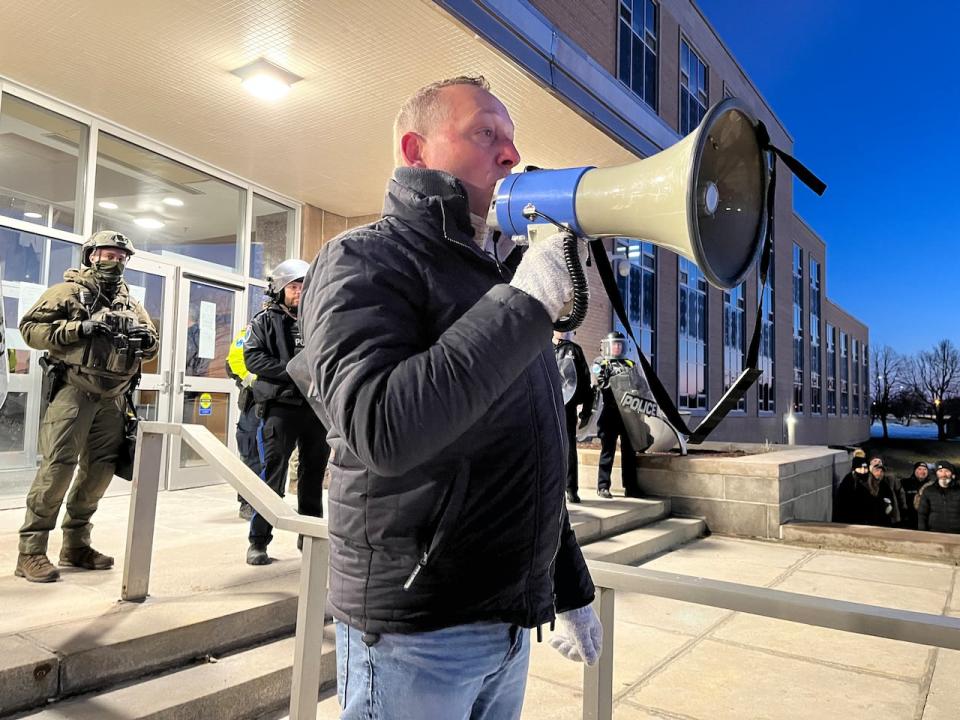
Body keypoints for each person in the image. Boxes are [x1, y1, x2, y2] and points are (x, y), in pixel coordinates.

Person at [293, 76, 599, 719]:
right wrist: (524, 304)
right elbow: (382, 429)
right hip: (416, 631)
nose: (511, 154)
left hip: (508, 622)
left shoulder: (501, 279)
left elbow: (530, 453)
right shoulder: (362, 260)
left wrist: (566, 584)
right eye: (485, 132)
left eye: (512, 139)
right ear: (415, 150)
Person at [15, 231, 158, 583]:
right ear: (91, 256)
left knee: (99, 472)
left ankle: (76, 544)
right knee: (58, 468)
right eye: (109, 254)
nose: (116, 260)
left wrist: (146, 340)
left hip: (114, 397)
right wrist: (80, 328)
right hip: (75, 391)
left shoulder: (129, 300)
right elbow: (30, 329)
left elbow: (151, 344)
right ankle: (31, 551)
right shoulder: (67, 291)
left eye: (122, 256)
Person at [243, 258, 330, 565]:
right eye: (294, 286)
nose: (300, 292)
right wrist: (296, 371)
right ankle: (258, 541)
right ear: (280, 289)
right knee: (272, 475)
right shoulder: (264, 322)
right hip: (281, 408)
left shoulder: (320, 320)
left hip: (316, 408)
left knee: (313, 475)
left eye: (305, 286)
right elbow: (254, 360)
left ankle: (310, 538)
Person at [592, 331, 641, 499]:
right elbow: (602, 384)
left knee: (629, 452)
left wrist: (637, 390)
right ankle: (603, 486)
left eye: (620, 344)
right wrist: (620, 387)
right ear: (607, 345)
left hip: (628, 413)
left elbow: (640, 383)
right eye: (615, 344)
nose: (617, 347)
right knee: (608, 450)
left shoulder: (630, 363)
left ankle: (631, 487)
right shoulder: (600, 363)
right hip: (610, 412)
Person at [226, 325, 261, 520]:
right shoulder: (251, 329)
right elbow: (234, 360)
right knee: (250, 452)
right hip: (254, 401)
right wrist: (255, 383)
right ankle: (247, 502)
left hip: (280, 401)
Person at [553, 330, 592, 503]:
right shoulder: (543, 347)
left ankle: (571, 489)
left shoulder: (575, 350)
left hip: (567, 407)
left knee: (569, 449)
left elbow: (584, 379)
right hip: (547, 405)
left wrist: (586, 409)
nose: (562, 331)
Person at [833, 454, 896, 526]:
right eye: (860, 468)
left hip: (871, 521)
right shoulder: (849, 481)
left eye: (865, 468)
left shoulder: (877, 481)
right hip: (852, 521)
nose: (863, 471)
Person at [917, 461, 960, 534]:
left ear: (952, 474)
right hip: (934, 532)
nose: (943, 474)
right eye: (940, 471)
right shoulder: (928, 491)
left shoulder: (958, 490)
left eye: (947, 471)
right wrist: (922, 533)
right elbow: (922, 514)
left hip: (957, 533)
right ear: (937, 474)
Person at [869, 457, 903, 526]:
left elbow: (900, 493)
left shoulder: (889, 480)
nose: (879, 473)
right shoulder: (867, 482)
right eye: (875, 461)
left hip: (888, 518)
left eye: (879, 461)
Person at [900, 461, 930, 530]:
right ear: (914, 470)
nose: (922, 471)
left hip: (926, 521)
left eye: (925, 469)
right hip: (908, 521)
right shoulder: (904, 483)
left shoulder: (932, 485)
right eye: (919, 469)